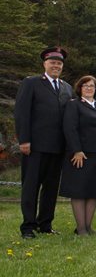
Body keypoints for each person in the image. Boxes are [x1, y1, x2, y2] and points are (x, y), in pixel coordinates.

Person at [15, 47, 73, 239]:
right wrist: (24, 140)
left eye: (59, 63)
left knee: (51, 188)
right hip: (35, 146)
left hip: (57, 147)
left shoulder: (67, 87)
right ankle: (28, 227)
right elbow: (22, 113)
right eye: (53, 62)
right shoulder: (31, 83)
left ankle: (45, 224)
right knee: (31, 186)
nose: (56, 66)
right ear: (45, 64)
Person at [59, 76, 96, 235]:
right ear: (79, 88)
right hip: (81, 155)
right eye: (85, 86)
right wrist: (76, 150)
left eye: (92, 86)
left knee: (93, 191)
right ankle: (81, 228)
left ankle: (89, 226)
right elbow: (70, 128)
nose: (89, 88)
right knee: (79, 191)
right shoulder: (74, 105)